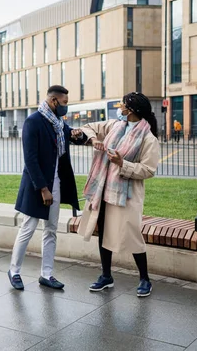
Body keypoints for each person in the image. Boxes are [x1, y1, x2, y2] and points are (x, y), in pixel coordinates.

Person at [74, 92, 160, 297]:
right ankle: (106, 276)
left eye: (124, 104)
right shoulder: (115, 126)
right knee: (103, 231)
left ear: (131, 110)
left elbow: (148, 170)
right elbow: (88, 127)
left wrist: (123, 164)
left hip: (127, 194)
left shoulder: (148, 138)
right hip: (103, 189)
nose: (120, 106)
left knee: (133, 235)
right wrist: (94, 139)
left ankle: (145, 279)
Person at [8, 85, 84, 291]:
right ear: (53, 101)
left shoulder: (59, 123)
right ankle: (14, 271)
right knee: (28, 228)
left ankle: (46, 274)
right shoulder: (33, 122)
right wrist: (43, 188)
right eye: (65, 103)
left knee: (51, 229)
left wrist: (77, 135)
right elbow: (30, 159)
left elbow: (69, 136)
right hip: (38, 185)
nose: (66, 107)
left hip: (57, 182)